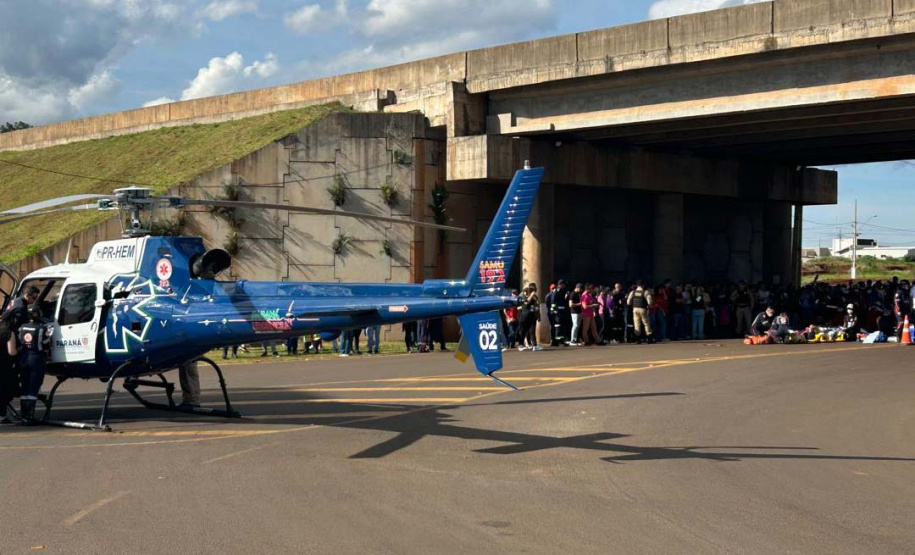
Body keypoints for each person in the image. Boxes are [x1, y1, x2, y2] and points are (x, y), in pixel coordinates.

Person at [16, 306, 53, 422]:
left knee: (24, 387)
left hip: (23, 359)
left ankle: (23, 415)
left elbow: (19, 341)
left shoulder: (21, 328)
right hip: (36, 359)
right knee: (33, 387)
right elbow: (46, 344)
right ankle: (30, 416)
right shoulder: (41, 328)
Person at [0, 311, 18, 425]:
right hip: (3, 365)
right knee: (5, 390)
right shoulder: (8, 332)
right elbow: (11, 352)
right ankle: (2, 416)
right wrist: (19, 350)